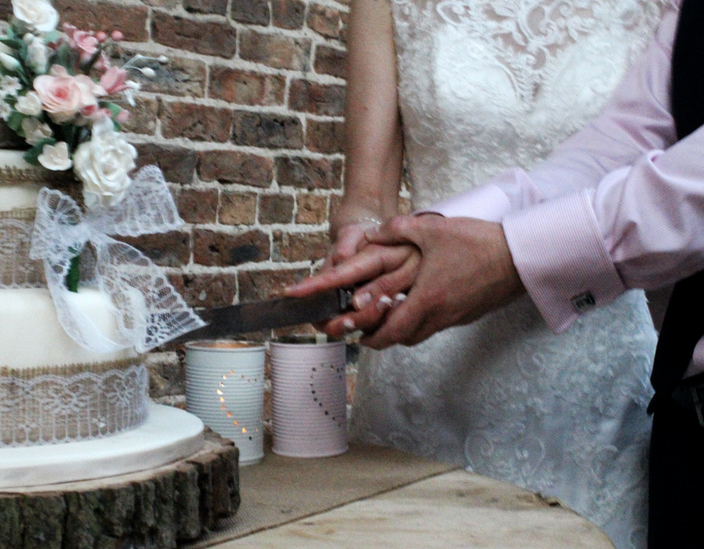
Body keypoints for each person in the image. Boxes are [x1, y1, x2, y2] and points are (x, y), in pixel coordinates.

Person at [291, 1, 703, 546]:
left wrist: (511, 254)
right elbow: (620, 143)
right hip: (433, 347)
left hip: (591, 372)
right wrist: (418, 243)